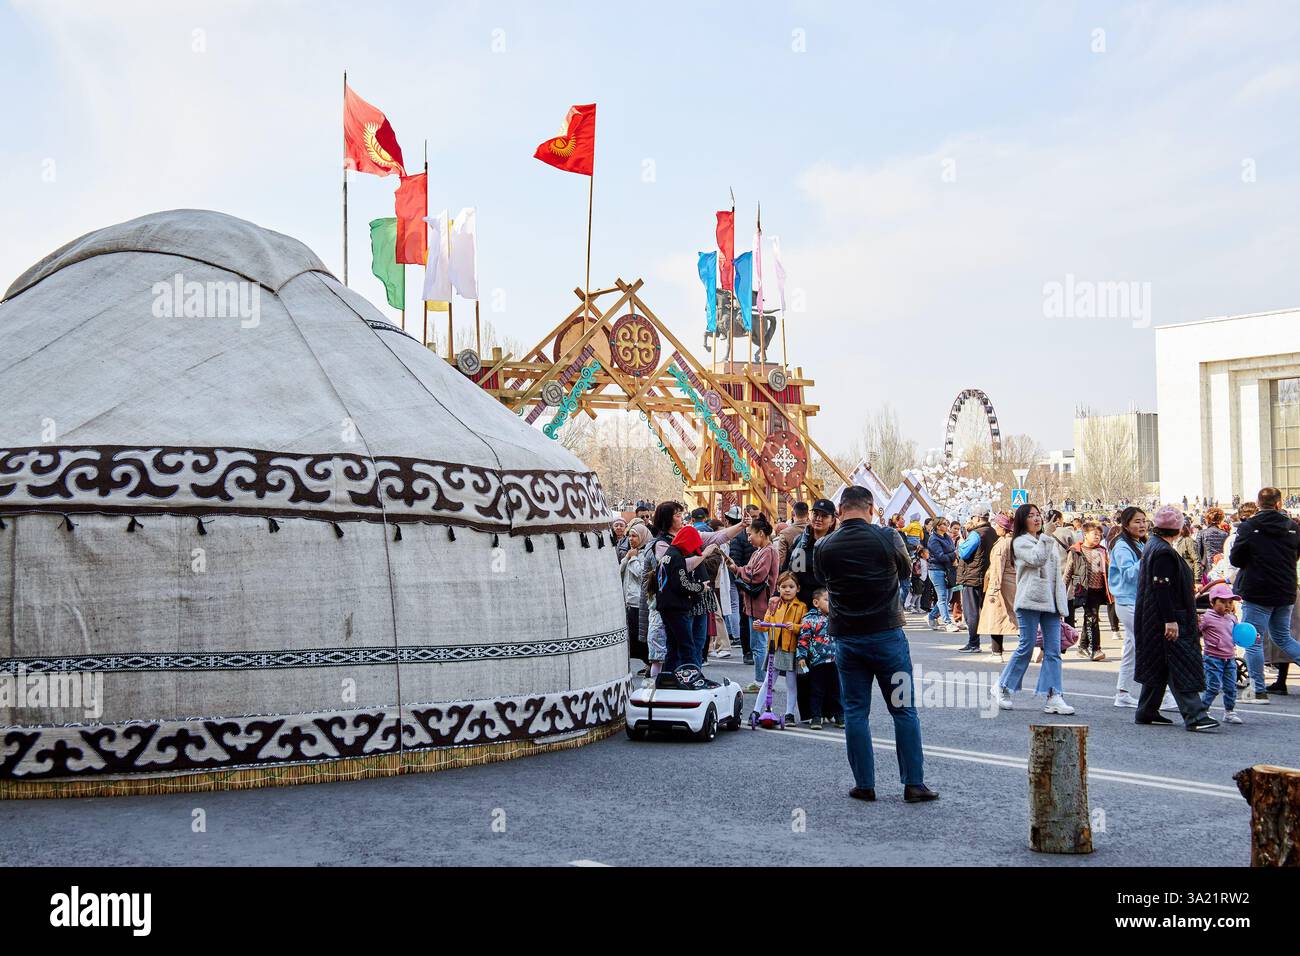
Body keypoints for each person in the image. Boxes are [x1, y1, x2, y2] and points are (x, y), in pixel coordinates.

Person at [813, 485, 938, 804]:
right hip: (887, 635)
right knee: (904, 711)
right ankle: (913, 784)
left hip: (847, 637)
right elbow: (906, 572)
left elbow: (821, 578)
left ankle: (864, 784)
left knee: (855, 712)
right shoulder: (887, 537)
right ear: (870, 508)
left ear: (840, 511)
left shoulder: (825, 545)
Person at [1133, 506, 1218, 731]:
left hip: (1151, 615)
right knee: (1179, 662)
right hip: (1167, 616)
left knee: (1159, 663)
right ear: (1179, 528)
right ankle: (1195, 716)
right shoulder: (1164, 552)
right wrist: (1170, 620)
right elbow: (1162, 588)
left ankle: (1146, 710)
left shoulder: (1154, 545)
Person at [995, 503, 1075, 715]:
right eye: (1031, 516)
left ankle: (1053, 695)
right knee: (1026, 646)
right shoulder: (1020, 541)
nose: (1037, 519)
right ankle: (1002, 686)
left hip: (1050, 602)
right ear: (1023, 520)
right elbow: (1036, 559)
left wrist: (1060, 602)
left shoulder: (1043, 540)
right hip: (1030, 600)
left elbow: (1056, 574)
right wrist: (1047, 536)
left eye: (1038, 515)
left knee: (1054, 649)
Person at [1229, 487, 1300, 703]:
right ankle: (1258, 688)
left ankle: (1258, 690)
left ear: (1258, 504)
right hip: (1286, 589)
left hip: (1257, 589)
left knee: (1253, 641)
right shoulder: (1293, 527)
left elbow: (1236, 559)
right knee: (1283, 637)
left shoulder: (1249, 527)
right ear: (1279, 504)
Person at [725, 514, 779, 690]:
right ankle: (761, 679)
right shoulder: (760, 552)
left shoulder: (769, 551)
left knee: (759, 643)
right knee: (757, 643)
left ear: (761, 534)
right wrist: (738, 569)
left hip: (761, 604)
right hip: (754, 603)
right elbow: (750, 571)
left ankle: (761, 681)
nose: (749, 538)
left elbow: (757, 576)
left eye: (751, 534)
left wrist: (738, 570)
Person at [752, 571, 807, 726]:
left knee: (791, 682)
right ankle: (757, 710)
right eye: (783, 587)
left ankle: (789, 713)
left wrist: (795, 627)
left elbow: (805, 627)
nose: (787, 590)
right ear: (778, 588)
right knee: (768, 681)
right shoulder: (774, 604)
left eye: (791, 586)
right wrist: (759, 625)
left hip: (790, 649)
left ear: (798, 588)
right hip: (774, 649)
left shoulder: (801, 607)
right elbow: (766, 623)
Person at [956, 501, 997, 653]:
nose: (971, 520)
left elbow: (964, 552)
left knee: (971, 612)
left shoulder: (976, 534)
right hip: (987, 576)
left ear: (978, 518)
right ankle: (996, 645)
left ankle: (974, 643)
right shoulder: (992, 532)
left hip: (973, 577)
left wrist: (961, 541)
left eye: (972, 517)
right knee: (989, 610)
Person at [1199, 582, 1243, 724]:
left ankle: (1229, 712)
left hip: (1229, 658)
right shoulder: (1207, 617)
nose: (1227, 606)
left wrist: (1253, 637)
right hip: (1213, 658)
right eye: (1222, 602)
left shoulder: (1232, 618)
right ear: (1212, 602)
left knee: (1231, 687)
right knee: (1213, 686)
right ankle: (1202, 711)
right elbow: (1197, 630)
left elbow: (1240, 633)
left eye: (1230, 602)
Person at [977, 512, 1018, 662]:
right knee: (1015, 617)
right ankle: (1033, 645)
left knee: (996, 619)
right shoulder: (1015, 541)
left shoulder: (1002, 544)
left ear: (1003, 527)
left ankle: (997, 653)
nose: (994, 527)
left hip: (1002, 586)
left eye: (997, 525)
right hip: (1014, 583)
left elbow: (996, 569)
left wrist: (993, 590)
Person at [797, 587, 841, 729]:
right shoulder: (809, 619)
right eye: (827, 600)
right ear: (816, 602)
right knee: (817, 690)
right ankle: (816, 716)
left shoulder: (836, 616)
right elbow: (803, 639)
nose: (831, 603)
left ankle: (840, 715)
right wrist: (801, 656)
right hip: (817, 661)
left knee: (836, 690)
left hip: (835, 660)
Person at [1076, 522, 1111, 662]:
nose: (1098, 537)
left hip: (1099, 590)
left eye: (1099, 534)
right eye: (1094, 534)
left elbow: (1106, 570)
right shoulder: (1076, 551)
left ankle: (1082, 646)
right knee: (1092, 617)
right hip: (1084, 590)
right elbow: (1069, 572)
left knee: (1089, 617)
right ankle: (1096, 649)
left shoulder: (1102, 550)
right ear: (1085, 535)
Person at [619, 524, 650, 666]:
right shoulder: (632, 552)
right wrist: (627, 558)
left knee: (641, 636)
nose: (631, 539)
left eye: (634, 536)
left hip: (640, 602)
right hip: (629, 601)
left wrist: (633, 559)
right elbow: (619, 572)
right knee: (632, 636)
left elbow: (642, 574)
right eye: (629, 536)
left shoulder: (647, 553)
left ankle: (650, 663)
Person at [925, 518, 961, 632]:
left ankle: (931, 616)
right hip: (936, 570)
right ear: (937, 526)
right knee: (942, 597)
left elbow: (951, 553)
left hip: (948, 570)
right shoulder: (933, 539)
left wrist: (954, 557)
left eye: (947, 524)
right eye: (944, 524)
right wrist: (953, 554)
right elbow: (940, 556)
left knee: (948, 597)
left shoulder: (947, 537)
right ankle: (947, 622)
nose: (947, 526)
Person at [777, 500, 810, 567]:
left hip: (793, 572)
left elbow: (781, 559)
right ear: (808, 514)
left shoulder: (785, 533)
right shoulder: (816, 530)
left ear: (793, 513)